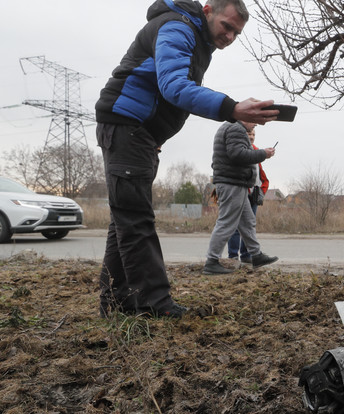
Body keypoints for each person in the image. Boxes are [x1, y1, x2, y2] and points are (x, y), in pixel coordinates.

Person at [94, 0, 281, 319]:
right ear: (208, 10)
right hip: (126, 127)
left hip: (138, 134)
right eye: (227, 26)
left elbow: (163, 91)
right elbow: (173, 87)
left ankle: (116, 299)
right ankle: (154, 304)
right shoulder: (177, 29)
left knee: (126, 219)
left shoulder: (197, 40)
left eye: (237, 33)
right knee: (136, 219)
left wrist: (153, 137)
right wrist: (231, 108)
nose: (230, 37)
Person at [203, 121, 278, 274]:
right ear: (247, 116)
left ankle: (256, 255)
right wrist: (263, 153)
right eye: (255, 122)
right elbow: (238, 154)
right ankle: (211, 261)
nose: (256, 125)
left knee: (247, 221)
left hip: (236, 183)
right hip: (232, 184)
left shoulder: (230, 127)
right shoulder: (235, 128)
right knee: (226, 222)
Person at [226, 126, 269, 263]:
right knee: (235, 226)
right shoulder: (237, 150)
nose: (251, 136)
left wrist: (262, 190)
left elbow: (262, 176)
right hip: (240, 191)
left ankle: (246, 255)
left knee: (250, 225)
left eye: (253, 134)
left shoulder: (256, 151)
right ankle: (233, 256)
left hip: (254, 193)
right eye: (249, 133)